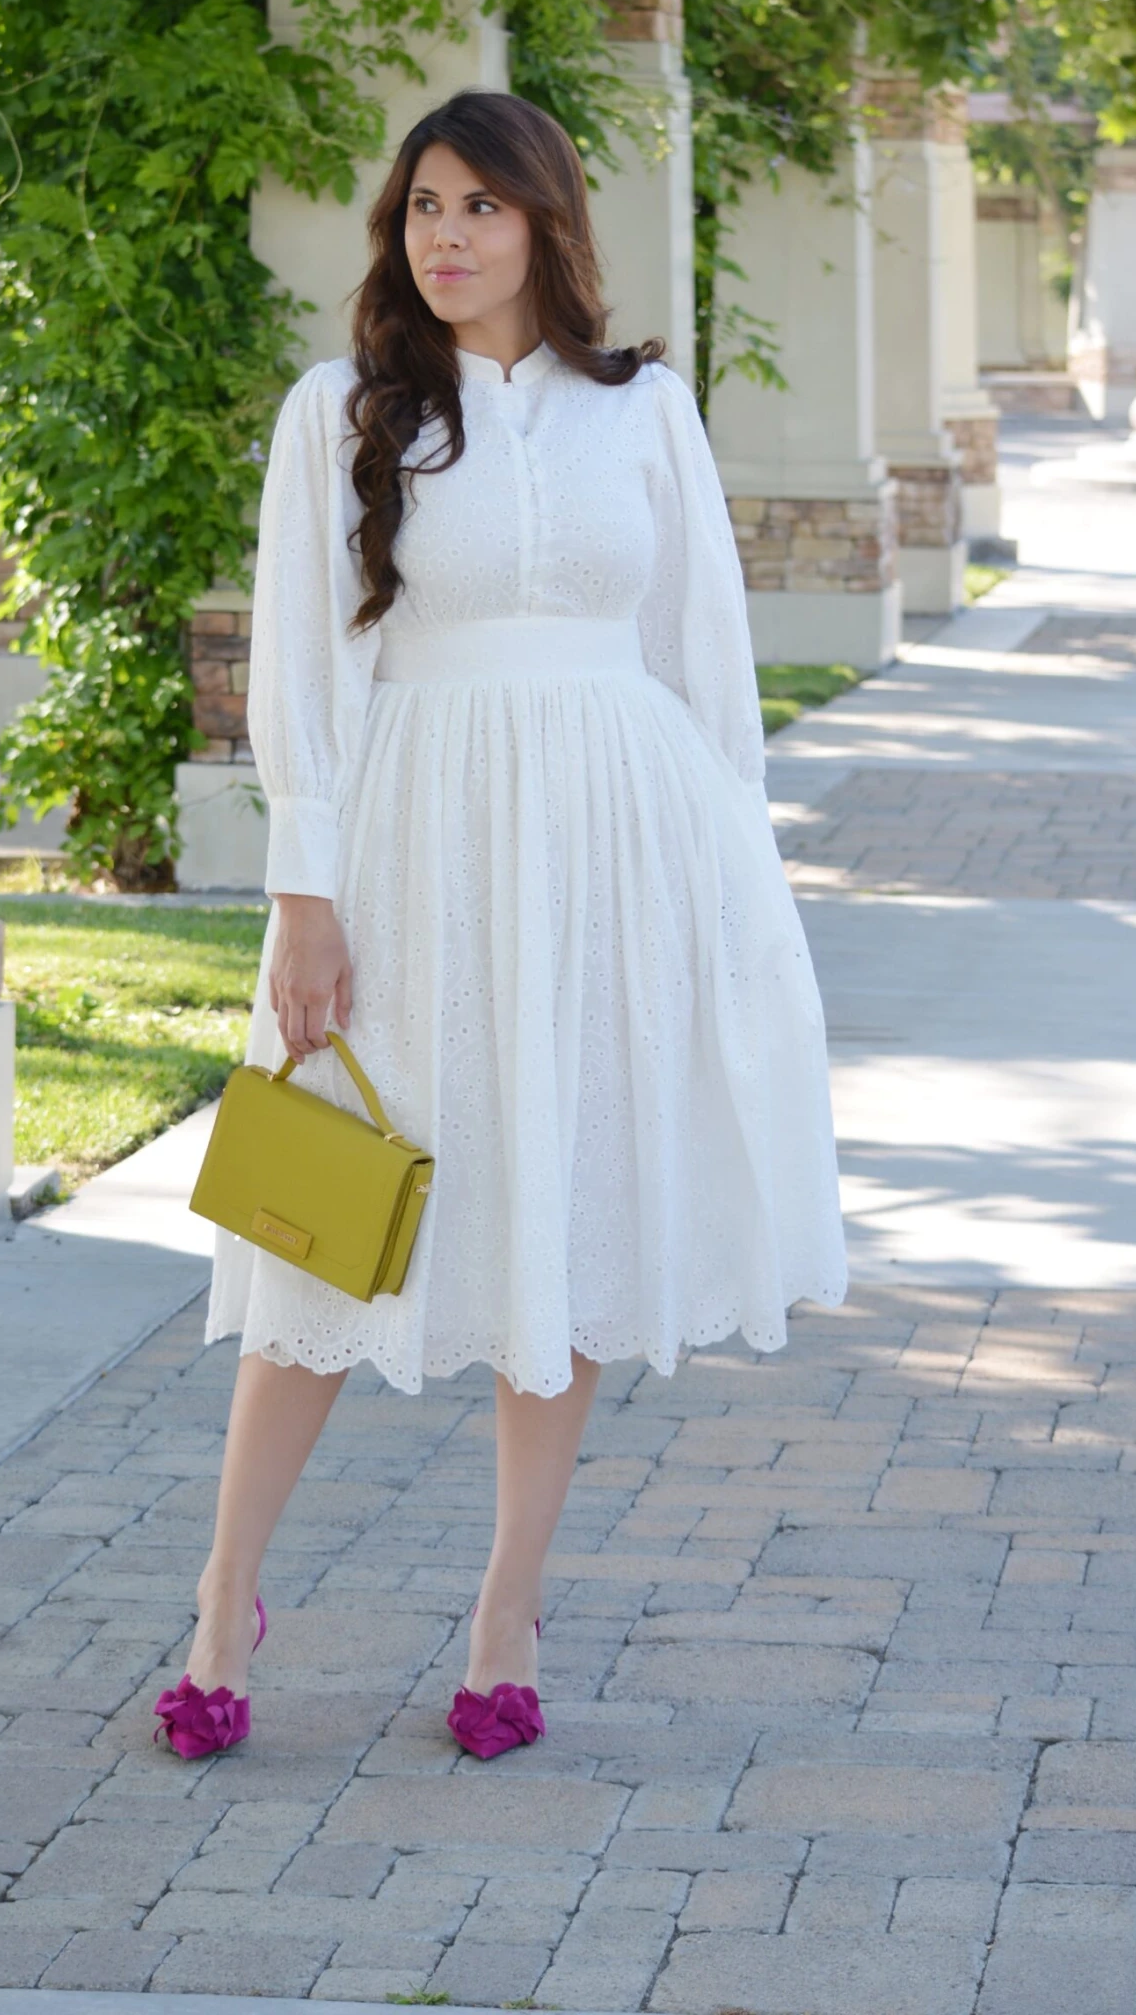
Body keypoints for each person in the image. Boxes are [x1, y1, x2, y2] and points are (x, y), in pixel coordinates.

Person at [154, 89, 846, 1767]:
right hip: (411, 848)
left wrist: (728, 891)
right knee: (324, 1209)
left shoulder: (645, 412)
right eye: (421, 208)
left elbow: (706, 670)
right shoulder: (344, 412)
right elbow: (309, 671)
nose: (445, 237)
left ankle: (507, 1612)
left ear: (547, 222)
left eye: (480, 206)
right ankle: (223, 1594)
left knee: (573, 1214)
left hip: (616, 852)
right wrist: (302, 897)